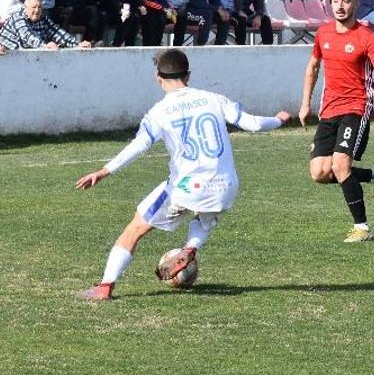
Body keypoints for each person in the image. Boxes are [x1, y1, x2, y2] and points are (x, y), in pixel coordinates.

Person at [76, 49, 291, 300]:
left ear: (158, 78)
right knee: (203, 219)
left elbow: (139, 145)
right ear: (188, 75)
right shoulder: (213, 99)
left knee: (135, 228)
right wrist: (278, 119)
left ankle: (104, 287)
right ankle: (190, 247)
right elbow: (252, 123)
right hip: (225, 186)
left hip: (186, 186)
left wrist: (105, 171)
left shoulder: (159, 111)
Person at [298, 0, 374, 243]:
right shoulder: (323, 34)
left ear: (356, 2)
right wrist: (305, 103)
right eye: (335, 1)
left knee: (341, 165)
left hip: (357, 106)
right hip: (329, 109)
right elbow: (313, 67)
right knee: (320, 173)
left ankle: (362, 228)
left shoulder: (366, 37)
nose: (340, 7)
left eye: (345, 1)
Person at [0, 0, 92, 50]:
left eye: (39, 7)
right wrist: (45, 46)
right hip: (4, 54)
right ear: (25, 7)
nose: (37, 10)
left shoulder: (42, 17)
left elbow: (56, 32)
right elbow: (27, 36)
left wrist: (77, 44)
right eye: (34, 7)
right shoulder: (18, 17)